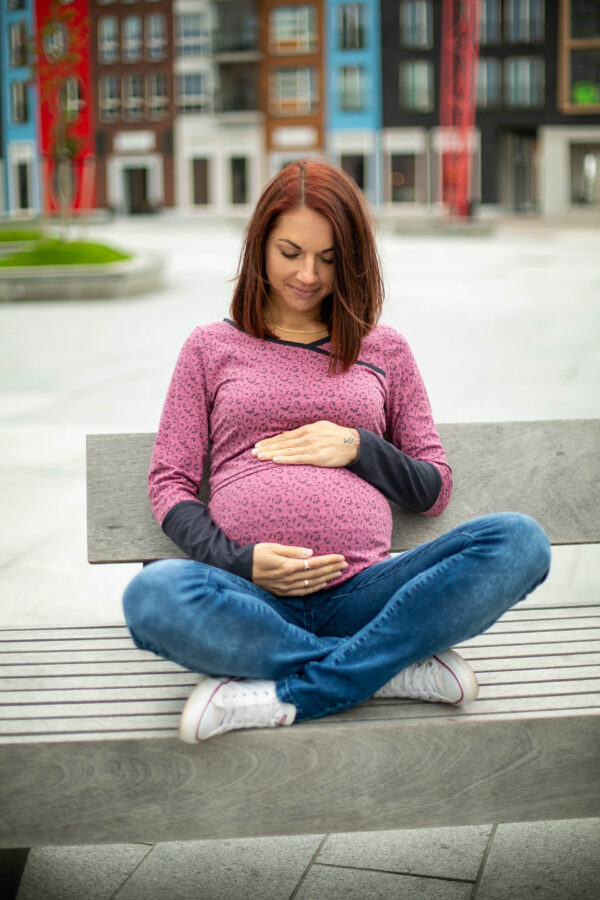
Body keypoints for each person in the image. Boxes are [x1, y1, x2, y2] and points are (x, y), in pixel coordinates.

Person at [123, 160, 551, 743]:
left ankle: (295, 690)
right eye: (290, 252)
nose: (307, 274)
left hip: (367, 595)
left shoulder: (385, 348)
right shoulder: (210, 348)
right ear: (259, 248)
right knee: (153, 597)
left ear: (351, 260)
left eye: (328, 259)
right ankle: (387, 667)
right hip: (253, 597)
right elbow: (169, 482)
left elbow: (434, 486)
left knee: (520, 541)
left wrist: (358, 447)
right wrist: (237, 561)